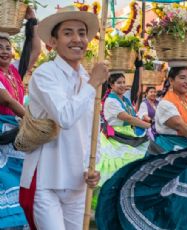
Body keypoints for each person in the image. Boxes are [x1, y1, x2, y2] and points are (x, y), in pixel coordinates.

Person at [19, 6, 109, 230]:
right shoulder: (45, 74)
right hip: (45, 181)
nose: (77, 39)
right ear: (53, 41)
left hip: (77, 182)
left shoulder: (86, 78)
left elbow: (91, 130)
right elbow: (65, 117)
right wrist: (92, 84)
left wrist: (94, 166)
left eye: (81, 33)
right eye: (68, 33)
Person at [0, 7, 41, 229]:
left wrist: (32, 21)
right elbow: (7, 101)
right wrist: (34, 123)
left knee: (20, 177)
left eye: (8, 48)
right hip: (3, 133)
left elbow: (35, 49)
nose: (5, 51)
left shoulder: (14, 71)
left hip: (15, 132)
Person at [96, 73, 151, 185]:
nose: (122, 85)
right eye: (118, 83)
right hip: (117, 137)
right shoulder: (111, 101)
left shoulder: (125, 99)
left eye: (123, 82)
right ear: (111, 85)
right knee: (120, 164)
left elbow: (133, 116)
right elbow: (128, 118)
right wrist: (148, 126)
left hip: (130, 134)